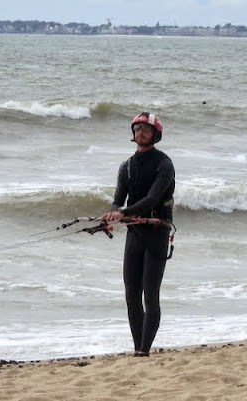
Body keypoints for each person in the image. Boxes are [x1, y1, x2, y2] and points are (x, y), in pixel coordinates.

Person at [100, 112, 175, 357]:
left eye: (145, 128)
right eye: (137, 128)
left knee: (150, 294)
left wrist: (123, 213)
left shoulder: (164, 164)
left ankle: (144, 350)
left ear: (155, 134)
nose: (140, 132)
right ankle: (137, 349)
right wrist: (113, 215)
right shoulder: (127, 167)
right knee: (131, 294)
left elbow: (152, 198)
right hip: (135, 234)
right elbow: (117, 201)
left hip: (157, 233)